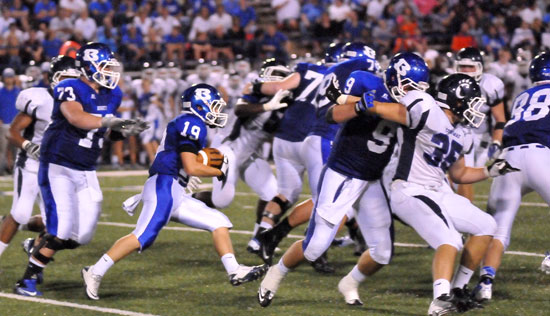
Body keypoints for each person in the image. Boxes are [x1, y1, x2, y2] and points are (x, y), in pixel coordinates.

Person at [349, 55, 518, 315]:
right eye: (471, 102)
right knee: (449, 239)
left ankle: (459, 291)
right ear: (456, 100)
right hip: (409, 189)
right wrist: (352, 102)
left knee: (487, 226)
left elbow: (459, 173)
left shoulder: (462, 133)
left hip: (438, 189)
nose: (475, 109)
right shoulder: (425, 106)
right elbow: (388, 107)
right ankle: (440, 301)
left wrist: (488, 171)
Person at [82, 84, 268, 300]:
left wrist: (210, 168)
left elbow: (189, 165)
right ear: (200, 106)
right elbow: (191, 167)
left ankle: (234, 270)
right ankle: (94, 271)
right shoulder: (191, 122)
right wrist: (219, 169)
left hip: (174, 189)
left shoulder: (191, 123)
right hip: (165, 185)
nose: (217, 112)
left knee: (218, 222)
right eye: (214, 106)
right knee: (143, 236)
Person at [14, 42, 147, 297]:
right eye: (105, 66)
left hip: (86, 168)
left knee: (81, 236)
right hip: (58, 165)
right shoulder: (69, 87)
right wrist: (110, 121)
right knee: (62, 230)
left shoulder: (113, 93)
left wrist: (120, 131)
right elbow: (77, 118)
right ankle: (27, 280)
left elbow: (103, 130)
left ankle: (37, 245)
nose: (111, 71)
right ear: (89, 67)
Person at [472, 51, 550, 301]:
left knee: (499, 229)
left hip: (507, 159)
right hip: (540, 156)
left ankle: (485, 282)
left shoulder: (522, 97)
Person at [192, 59, 290, 251]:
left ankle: (259, 239)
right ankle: (181, 201)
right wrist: (268, 106)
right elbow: (240, 109)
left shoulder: (287, 103)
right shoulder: (252, 91)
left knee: (272, 192)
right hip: (229, 149)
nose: (282, 83)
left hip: (249, 153)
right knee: (222, 201)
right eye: (279, 77)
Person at [0, 56, 81, 262]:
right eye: (65, 78)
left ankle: (31, 246)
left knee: (57, 225)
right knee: (20, 212)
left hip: (56, 169)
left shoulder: (79, 104)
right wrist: (28, 145)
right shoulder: (40, 99)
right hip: (31, 164)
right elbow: (13, 131)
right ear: (53, 77)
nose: (68, 84)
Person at [454, 47, 507, 202]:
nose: (466, 70)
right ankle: (464, 211)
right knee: (460, 177)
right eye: (463, 66)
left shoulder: (491, 85)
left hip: (482, 137)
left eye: (470, 66)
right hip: (460, 133)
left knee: (465, 177)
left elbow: (500, 119)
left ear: (480, 67)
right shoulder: (449, 84)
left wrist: (497, 142)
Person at [0, 68, 20, 174]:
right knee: (2, 149)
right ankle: (1, 171)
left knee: (16, 150)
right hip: (4, 124)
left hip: (16, 125)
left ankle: (16, 170)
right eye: (7, 77)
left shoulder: (18, 91)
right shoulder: (0, 92)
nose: (9, 79)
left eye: (11, 77)